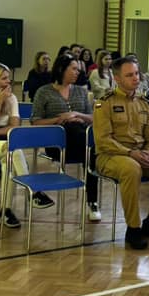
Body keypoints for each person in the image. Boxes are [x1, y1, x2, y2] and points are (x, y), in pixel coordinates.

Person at [93, 57, 149, 250]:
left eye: (136, 73)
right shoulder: (105, 103)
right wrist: (130, 153)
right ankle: (133, 228)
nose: (135, 78)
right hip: (110, 156)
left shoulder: (145, 103)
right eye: (129, 75)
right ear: (117, 79)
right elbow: (103, 140)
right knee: (132, 169)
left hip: (141, 155)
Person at [0, 62, 53, 228]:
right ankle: (33, 190)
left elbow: (14, 128)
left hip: (4, 145)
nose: (9, 81)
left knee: (9, 160)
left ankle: (5, 211)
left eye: (8, 78)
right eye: (4, 78)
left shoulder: (12, 98)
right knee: (12, 148)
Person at [30, 54, 100, 221]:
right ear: (62, 69)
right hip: (57, 145)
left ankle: (93, 202)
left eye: (78, 69)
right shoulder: (44, 92)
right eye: (74, 69)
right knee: (90, 149)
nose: (78, 72)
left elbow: (92, 118)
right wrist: (60, 119)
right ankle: (93, 200)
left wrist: (76, 115)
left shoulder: (81, 91)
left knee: (89, 151)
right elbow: (35, 121)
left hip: (80, 143)